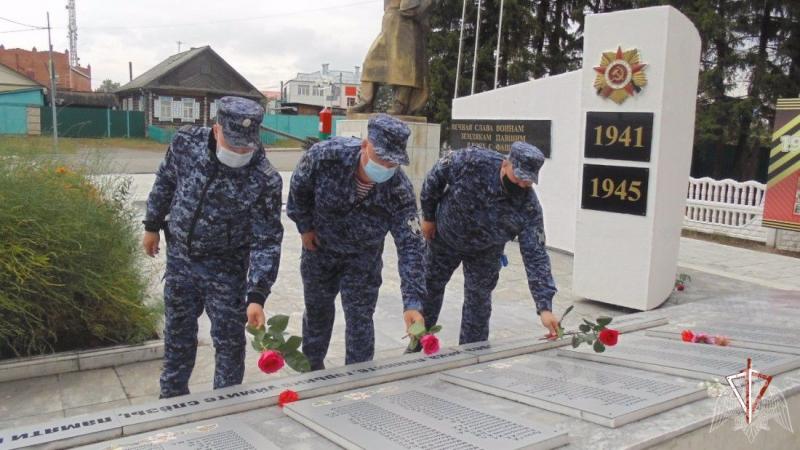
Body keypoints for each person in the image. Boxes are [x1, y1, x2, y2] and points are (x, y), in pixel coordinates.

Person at [142, 96, 283, 398]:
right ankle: (172, 398)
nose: (240, 152)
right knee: (178, 334)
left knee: (229, 340)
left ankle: (225, 404)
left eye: (246, 146)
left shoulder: (265, 179)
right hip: (181, 258)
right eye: (233, 144)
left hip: (227, 267)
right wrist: (152, 225)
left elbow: (267, 239)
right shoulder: (185, 143)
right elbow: (166, 180)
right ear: (217, 130)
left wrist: (257, 294)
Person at [287, 114, 426, 370]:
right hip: (320, 251)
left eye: (393, 161)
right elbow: (298, 190)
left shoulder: (399, 190)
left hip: (363, 259)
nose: (385, 166)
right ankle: (311, 373)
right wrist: (305, 227)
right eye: (380, 157)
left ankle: (358, 382)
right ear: (365, 145)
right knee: (317, 314)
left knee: (360, 320)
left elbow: (411, 247)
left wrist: (413, 302)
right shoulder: (325, 157)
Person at [419, 141, 559, 345]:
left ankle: (472, 355)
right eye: (518, 177)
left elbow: (536, 255)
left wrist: (545, 307)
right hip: (445, 239)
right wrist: (429, 217)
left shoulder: (528, 208)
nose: (521, 185)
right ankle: (417, 345)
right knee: (429, 290)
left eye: (527, 181)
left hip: (485, 252)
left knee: (479, 304)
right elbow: (435, 178)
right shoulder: (472, 161)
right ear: (505, 164)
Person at [349, 0, 433, 115]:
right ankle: (366, 100)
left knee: (404, 67)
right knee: (371, 64)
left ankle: (401, 103)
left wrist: (413, 9)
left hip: (407, 25)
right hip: (389, 22)